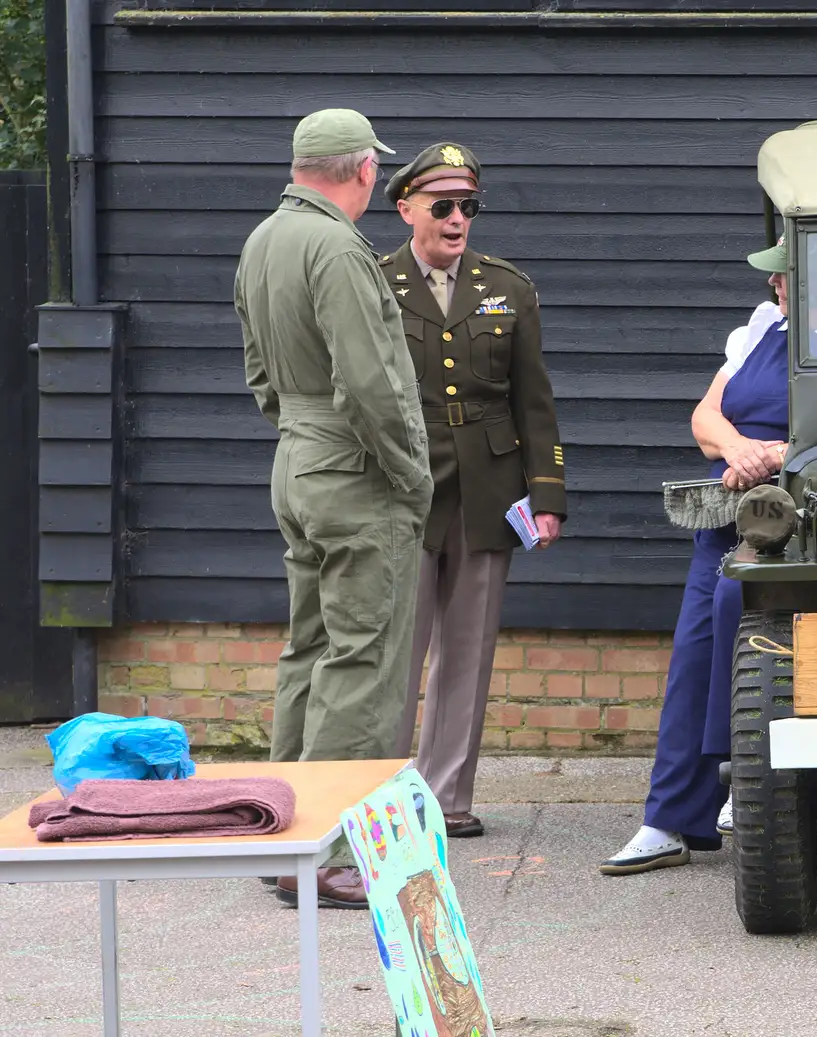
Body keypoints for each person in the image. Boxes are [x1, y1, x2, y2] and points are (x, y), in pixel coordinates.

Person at [234, 108, 432, 909]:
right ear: (359, 170)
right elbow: (373, 382)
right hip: (355, 471)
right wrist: (412, 475)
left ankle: (279, 835)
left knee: (307, 650)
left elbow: (258, 371)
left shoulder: (263, 240)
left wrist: (300, 432)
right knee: (364, 661)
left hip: (296, 457)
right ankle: (328, 852)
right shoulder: (339, 248)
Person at [381, 142, 567, 840]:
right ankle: (386, 797)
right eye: (444, 206)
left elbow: (534, 400)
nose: (458, 219)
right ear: (407, 209)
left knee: (468, 646)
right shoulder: (376, 283)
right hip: (404, 488)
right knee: (398, 650)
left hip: (489, 488)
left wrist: (546, 494)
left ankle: (445, 798)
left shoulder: (507, 287)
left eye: (468, 206)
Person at [598, 237, 793, 875]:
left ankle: (744, 787)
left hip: (805, 519)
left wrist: (780, 455)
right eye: (777, 277)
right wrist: (740, 449)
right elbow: (704, 417)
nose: (779, 286)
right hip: (726, 511)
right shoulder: (759, 329)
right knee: (694, 652)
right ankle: (669, 821)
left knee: (750, 642)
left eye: (790, 275)